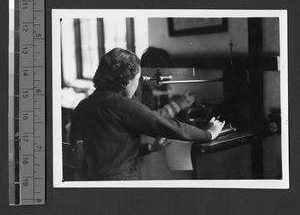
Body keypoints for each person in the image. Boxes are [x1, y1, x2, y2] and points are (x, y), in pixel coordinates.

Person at [69, 48, 225, 181]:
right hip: (120, 184)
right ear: (127, 80)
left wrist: (150, 147)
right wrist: (208, 134)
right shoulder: (121, 104)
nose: (138, 84)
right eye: (138, 79)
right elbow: (163, 125)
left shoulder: (83, 105)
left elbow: (109, 151)